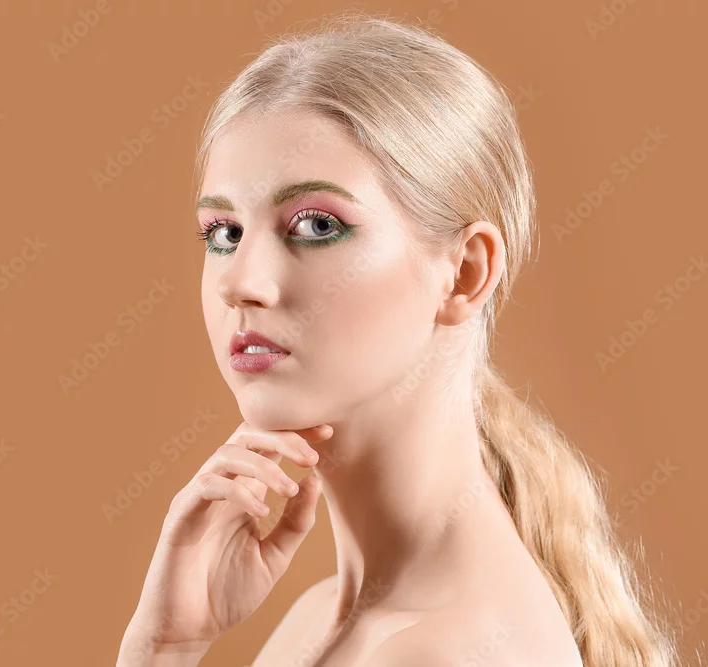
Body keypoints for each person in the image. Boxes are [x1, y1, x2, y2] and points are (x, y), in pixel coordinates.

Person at [116, 11, 678, 667]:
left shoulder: (449, 653)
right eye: (224, 233)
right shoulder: (320, 619)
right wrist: (165, 647)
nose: (240, 282)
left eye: (316, 225)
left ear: (464, 273)